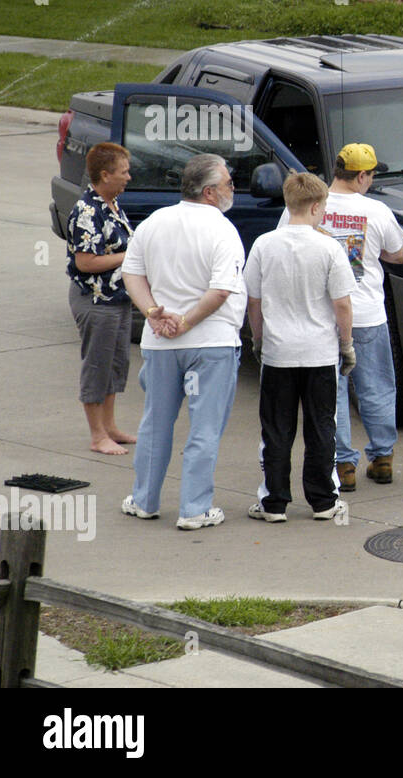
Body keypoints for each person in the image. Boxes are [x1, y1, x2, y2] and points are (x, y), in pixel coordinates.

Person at [120, 154, 246, 530]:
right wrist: (187, 322)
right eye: (228, 184)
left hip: (160, 343)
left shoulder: (155, 223)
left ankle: (144, 499)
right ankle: (194, 507)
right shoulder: (223, 230)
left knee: (155, 424)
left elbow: (132, 273)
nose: (233, 189)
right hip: (213, 341)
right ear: (210, 192)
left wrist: (153, 312)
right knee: (204, 428)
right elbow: (221, 290)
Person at [278, 143, 403, 488]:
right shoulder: (377, 210)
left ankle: (343, 466)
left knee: (332, 394)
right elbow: (400, 255)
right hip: (366, 315)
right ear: (362, 175)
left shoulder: (307, 203)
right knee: (377, 387)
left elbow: (284, 245)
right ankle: (382, 459)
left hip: (319, 317)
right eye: (371, 175)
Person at [245, 173, 356, 523]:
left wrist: (258, 338)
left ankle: (274, 501)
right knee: (322, 427)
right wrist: (347, 344)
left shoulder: (264, 245)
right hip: (319, 353)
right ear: (315, 206)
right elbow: (342, 305)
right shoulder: (329, 248)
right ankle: (323, 500)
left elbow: (254, 301)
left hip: (278, 353)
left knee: (276, 430)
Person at [65, 142, 138, 455]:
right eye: (123, 172)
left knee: (116, 362)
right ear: (105, 175)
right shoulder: (86, 211)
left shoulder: (112, 205)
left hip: (116, 298)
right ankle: (97, 436)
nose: (129, 177)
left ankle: (110, 426)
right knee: (98, 364)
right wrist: (128, 256)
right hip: (95, 300)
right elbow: (86, 262)